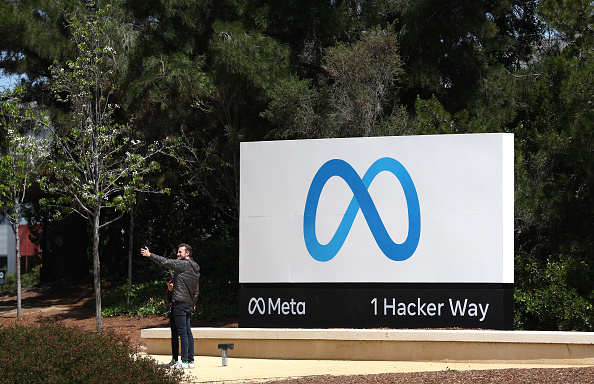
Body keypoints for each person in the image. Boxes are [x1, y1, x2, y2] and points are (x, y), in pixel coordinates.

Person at [141, 244, 200, 369]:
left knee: (183, 332)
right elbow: (196, 291)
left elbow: (165, 262)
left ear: (187, 254)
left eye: (180, 252)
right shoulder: (195, 269)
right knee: (187, 332)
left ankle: (183, 362)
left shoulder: (184, 265)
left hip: (180, 303)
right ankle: (190, 361)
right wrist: (191, 304)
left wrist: (150, 255)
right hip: (187, 304)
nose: (177, 254)